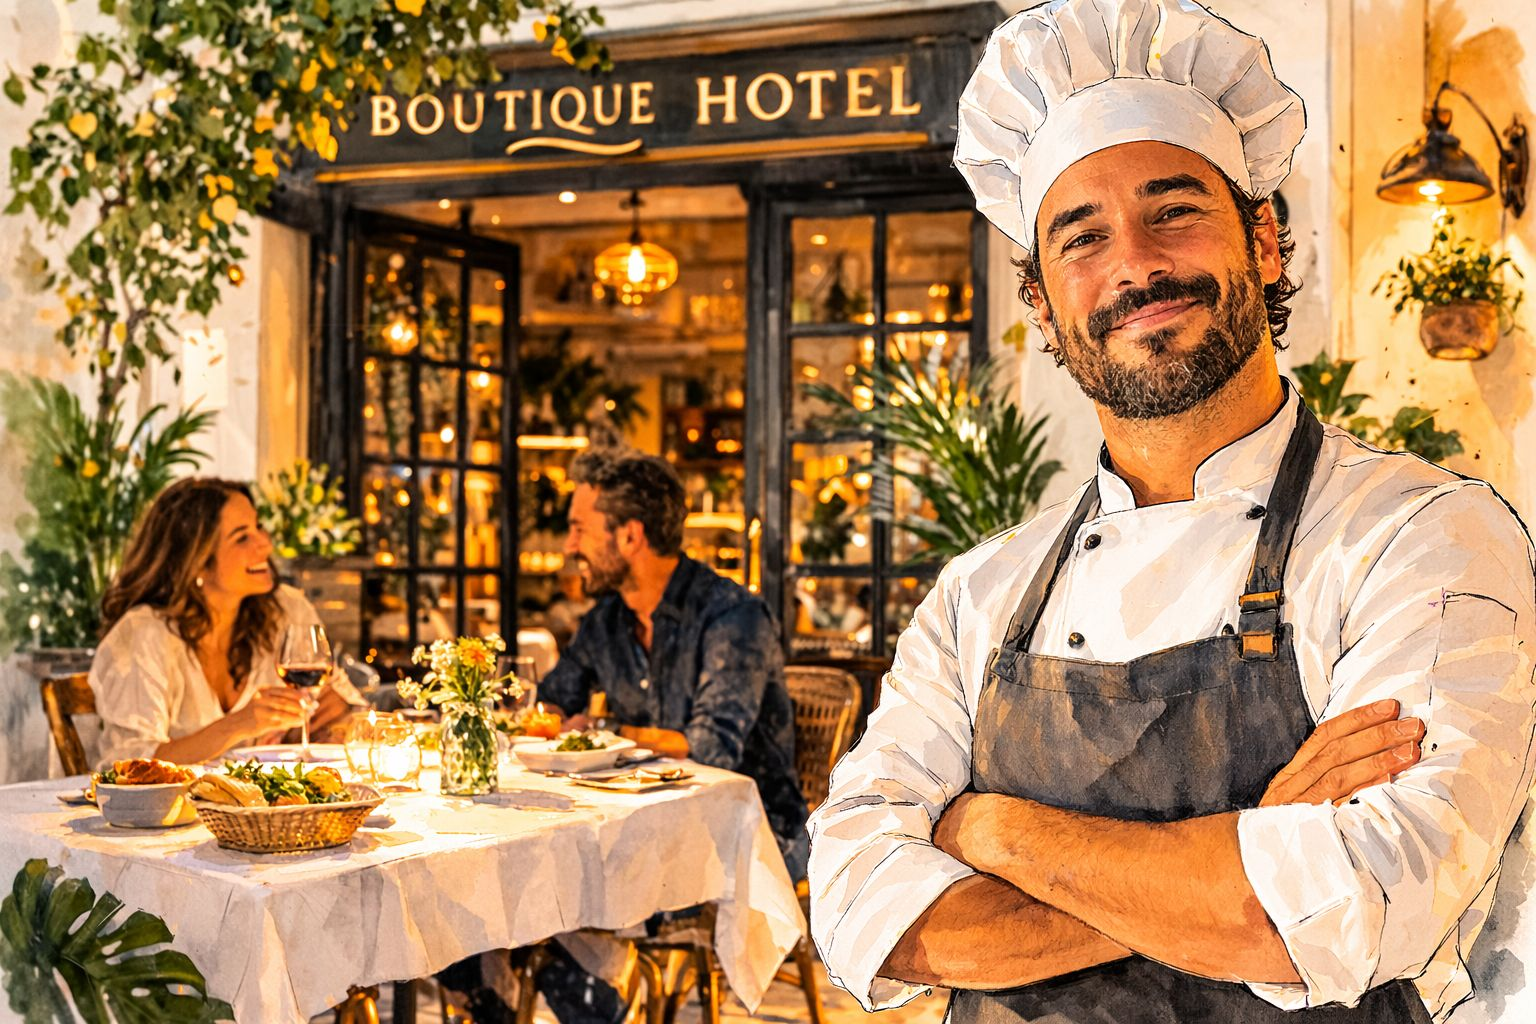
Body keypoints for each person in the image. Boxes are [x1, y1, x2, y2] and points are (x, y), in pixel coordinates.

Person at [807, 2, 1536, 1023]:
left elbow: (1362, 899)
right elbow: (862, 912)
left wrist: (990, 832)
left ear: (1265, 241)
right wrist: (1249, 841)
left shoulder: (1422, 537)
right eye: (1083, 236)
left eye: (1174, 210)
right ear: (1043, 304)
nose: (1136, 266)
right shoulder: (980, 593)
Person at [441, 448, 807, 1024]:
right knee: (474, 884)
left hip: (746, 836)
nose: (569, 546)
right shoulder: (608, 620)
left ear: (630, 535)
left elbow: (711, 748)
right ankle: (546, 982)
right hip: (634, 824)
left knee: (543, 892)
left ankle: (591, 985)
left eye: (579, 529)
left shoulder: (732, 617)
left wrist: (604, 730)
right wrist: (516, 714)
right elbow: (551, 703)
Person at [91, 477, 361, 767]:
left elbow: (352, 708)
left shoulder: (287, 610)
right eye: (242, 537)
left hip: (255, 797)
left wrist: (339, 715)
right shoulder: (144, 634)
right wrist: (239, 724)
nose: (265, 544)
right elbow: (130, 765)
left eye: (258, 527)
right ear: (197, 561)